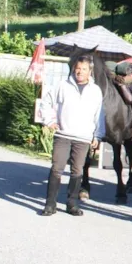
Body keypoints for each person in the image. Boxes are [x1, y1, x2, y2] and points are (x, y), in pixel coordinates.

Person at [40, 55, 104, 217]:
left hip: (83, 138)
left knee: (77, 171)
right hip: (63, 134)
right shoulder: (63, 85)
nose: (79, 72)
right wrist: (50, 121)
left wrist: (98, 136)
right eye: (77, 68)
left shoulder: (95, 91)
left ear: (90, 71)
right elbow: (46, 102)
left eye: (83, 69)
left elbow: (99, 116)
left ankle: (72, 203)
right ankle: (50, 204)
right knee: (57, 168)